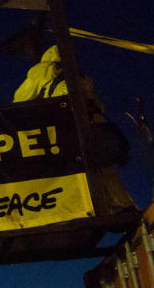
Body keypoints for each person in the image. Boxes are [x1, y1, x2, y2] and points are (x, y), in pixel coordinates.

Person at [13, 46, 136, 213]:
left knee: (76, 167)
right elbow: (99, 103)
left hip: (69, 121)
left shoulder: (44, 69)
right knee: (103, 168)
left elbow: (21, 99)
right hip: (96, 123)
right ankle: (122, 206)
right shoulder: (82, 76)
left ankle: (86, 209)